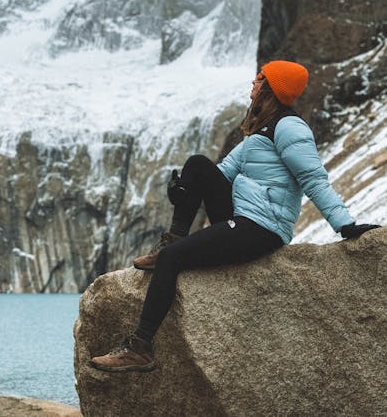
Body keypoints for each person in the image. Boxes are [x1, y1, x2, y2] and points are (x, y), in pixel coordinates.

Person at [90, 60, 380, 373]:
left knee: (173, 260)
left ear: (269, 88)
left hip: (262, 227)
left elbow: (313, 178)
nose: (252, 85)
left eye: (258, 79)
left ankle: (141, 347)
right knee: (198, 165)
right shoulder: (259, 133)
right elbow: (221, 175)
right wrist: (184, 192)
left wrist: (344, 224)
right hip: (240, 218)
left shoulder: (290, 128)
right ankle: (172, 239)